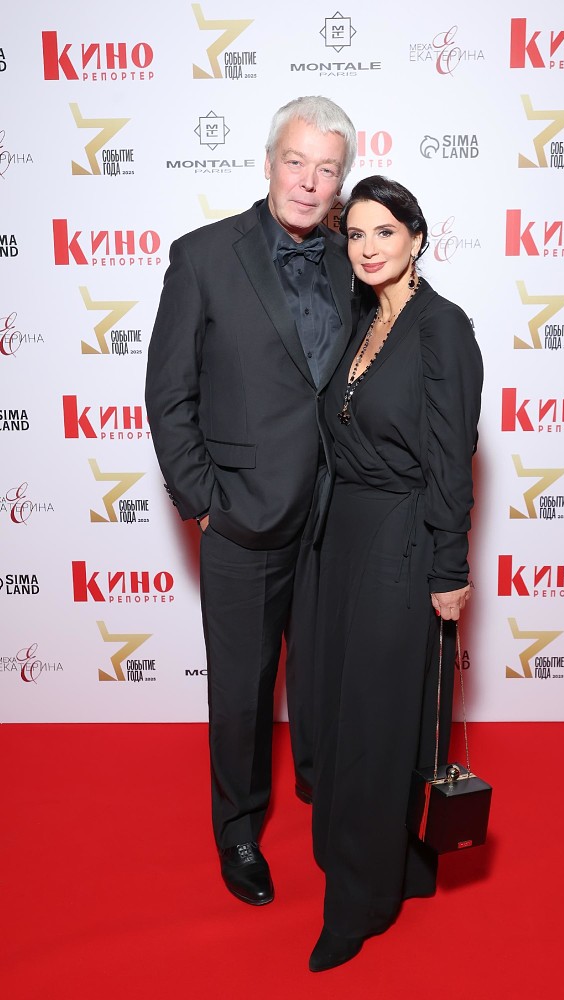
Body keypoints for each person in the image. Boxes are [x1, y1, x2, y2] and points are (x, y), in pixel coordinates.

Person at [145, 96, 358, 907]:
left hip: (337, 517)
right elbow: (169, 394)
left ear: (340, 180)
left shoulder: (353, 255)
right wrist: (205, 501)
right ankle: (237, 829)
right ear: (269, 161)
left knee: (328, 676)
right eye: (295, 161)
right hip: (244, 517)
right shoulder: (203, 256)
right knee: (241, 689)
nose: (308, 181)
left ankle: (326, 793)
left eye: (326, 169)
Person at [308, 175, 483, 971]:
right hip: (342, 537)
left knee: (376, 726)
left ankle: (358, 901)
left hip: (401, 541)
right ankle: (397, 866)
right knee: (345, 710)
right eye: (355, 234)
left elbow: (450, 459)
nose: (367, 247)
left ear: (416, 237)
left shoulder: (442, 328)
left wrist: (448, 565)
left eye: (384, 231)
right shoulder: (361, 318)